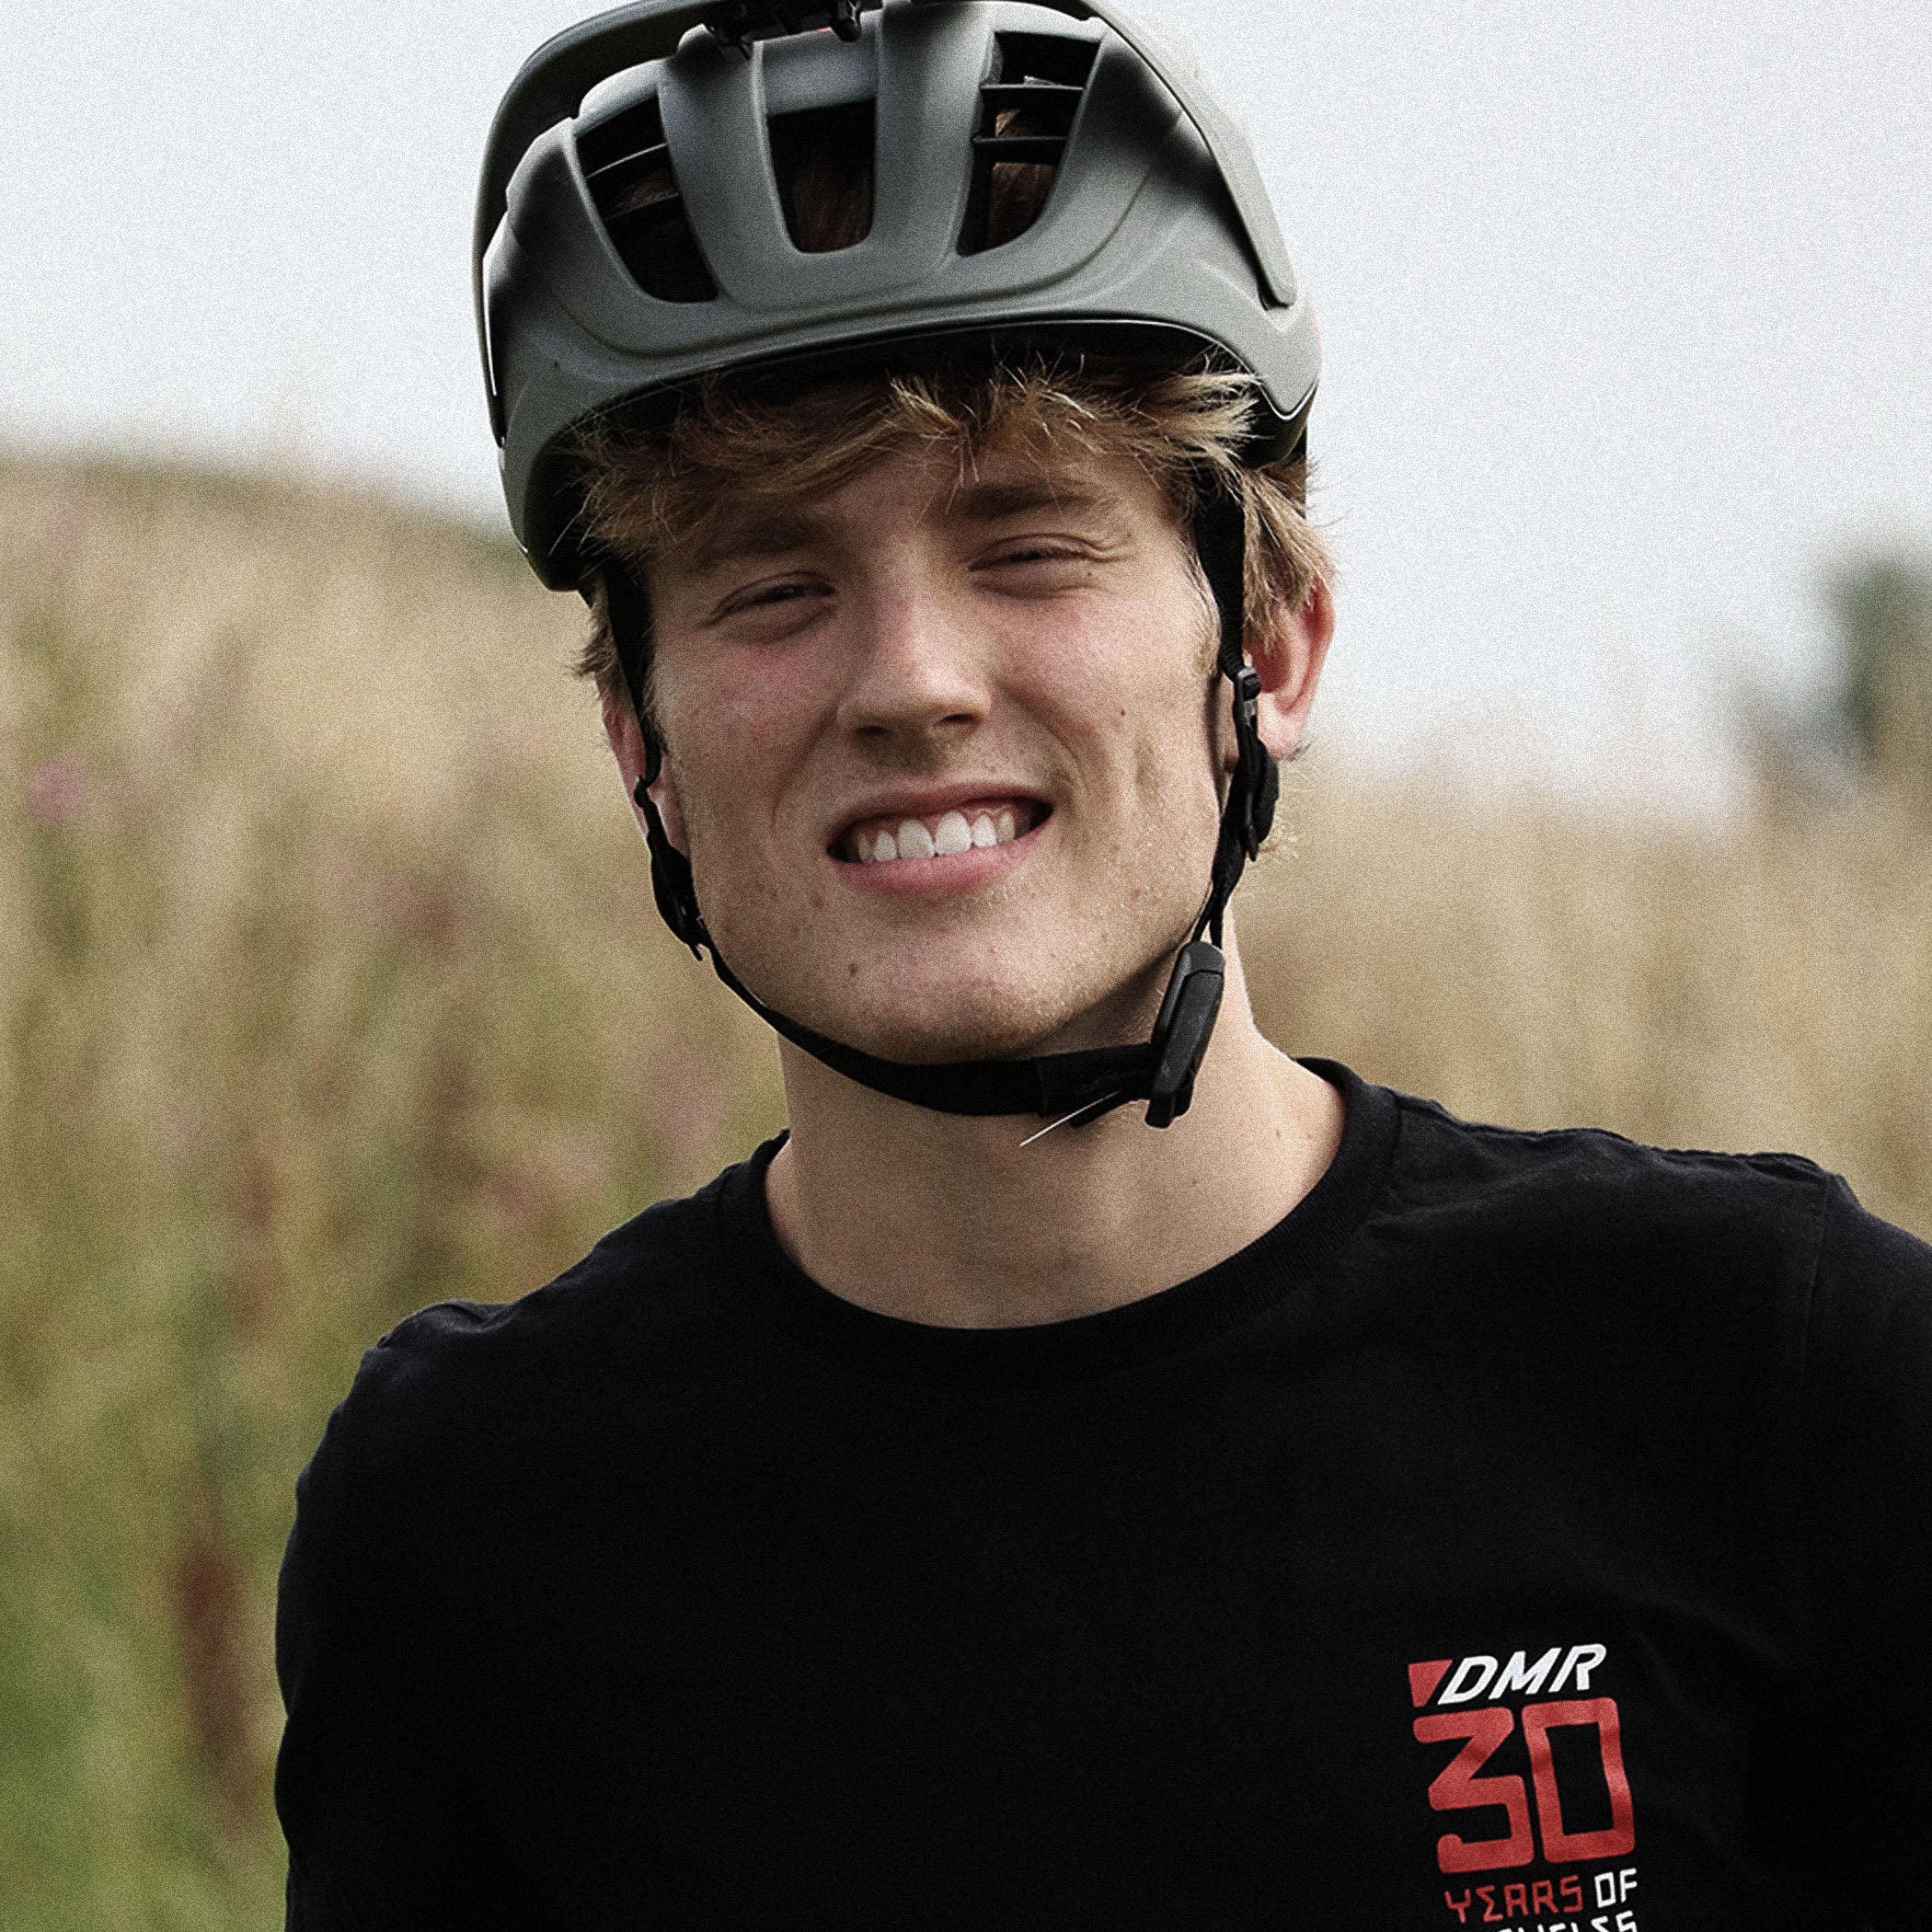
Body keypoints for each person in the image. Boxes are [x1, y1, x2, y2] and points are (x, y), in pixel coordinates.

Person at [275, 2, 1932, 1926]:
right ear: (638, 735)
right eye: (772, 585)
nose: (911, 681)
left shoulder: (1775, 1381)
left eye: (1031, 546)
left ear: (1276, 645)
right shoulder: (473, 1529)